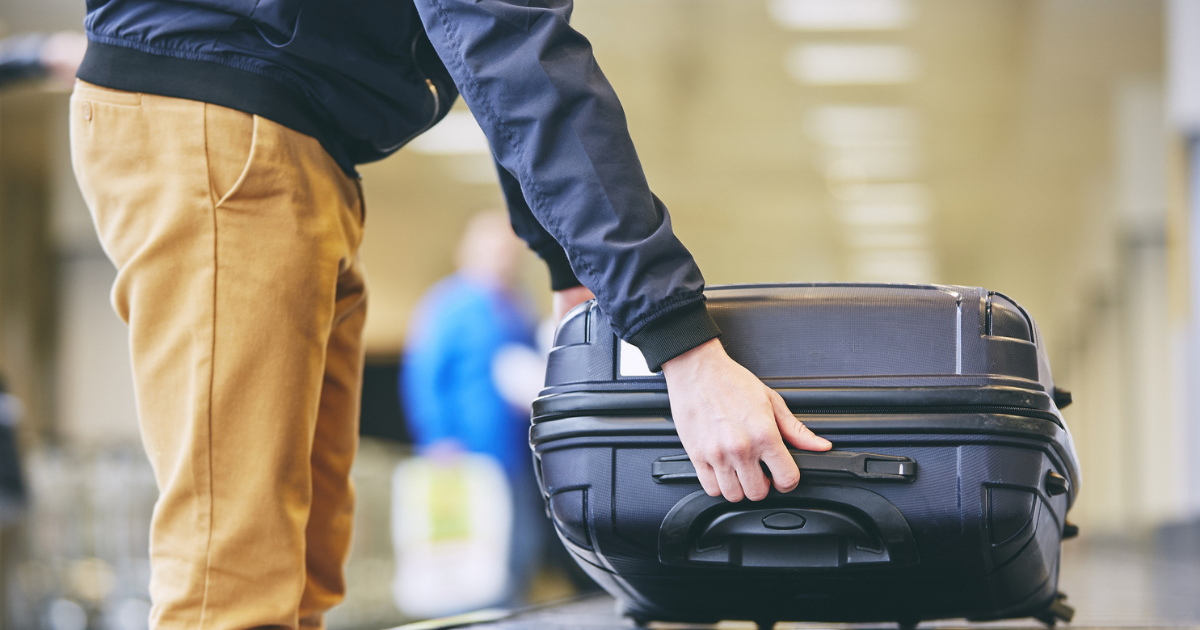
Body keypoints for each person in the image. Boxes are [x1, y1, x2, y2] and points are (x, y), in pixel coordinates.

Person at [68, 1, 834, 628]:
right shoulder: (462, 314)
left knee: (301, 568)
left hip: (293, 137)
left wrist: (570, 269)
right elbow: (507, 42)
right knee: (233, 582)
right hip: (222, 115)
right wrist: (682, 348)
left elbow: (494, 57)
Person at [399, 211, 543, 605]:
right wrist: (438, 438)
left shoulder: (517, 305)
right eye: (494, 248)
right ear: (467, 251)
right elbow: (424, 374)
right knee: (474, 563)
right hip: (465, 459)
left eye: (509, 250)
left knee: (518, 552)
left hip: (515, 457)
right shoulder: (449, 304)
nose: (504, 258)